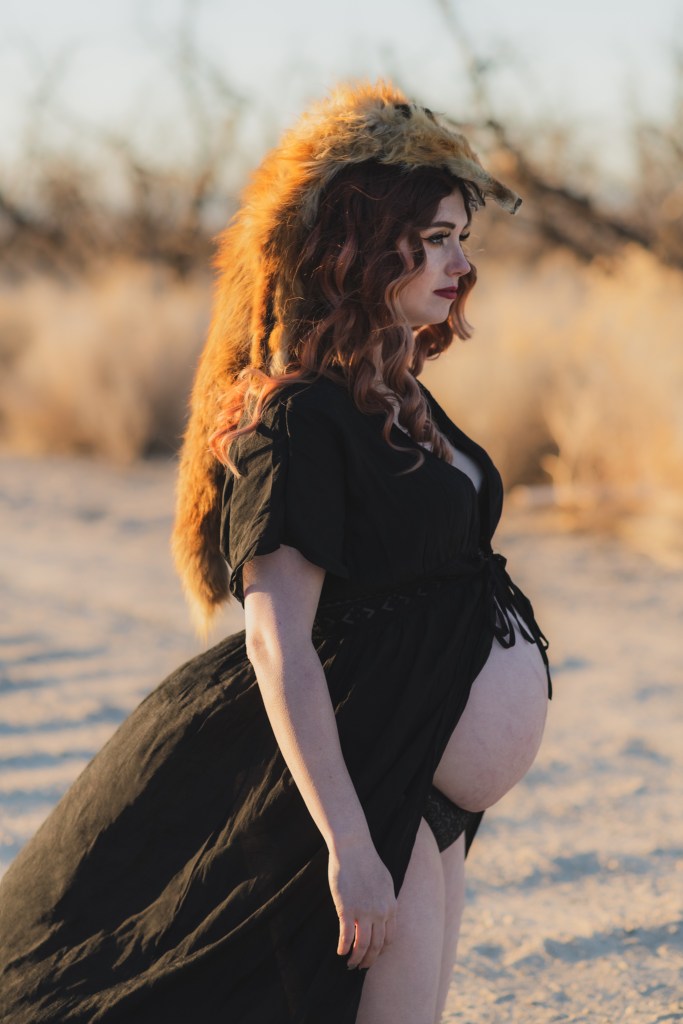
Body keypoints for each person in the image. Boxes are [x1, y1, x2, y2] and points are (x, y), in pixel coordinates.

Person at [0, 81, 552, 1024]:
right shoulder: (296, 416)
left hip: (425, 777)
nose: (462, 263)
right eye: (438, 239)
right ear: (364, 243)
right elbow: (277, 641)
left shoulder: (397, 390)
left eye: (465, 236)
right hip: (372, 779)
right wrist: (346, 844)